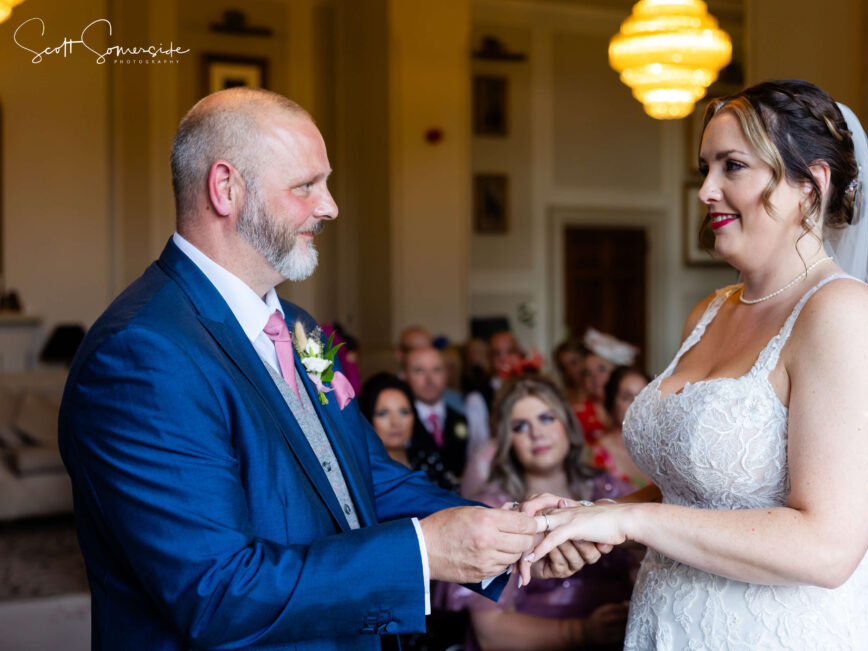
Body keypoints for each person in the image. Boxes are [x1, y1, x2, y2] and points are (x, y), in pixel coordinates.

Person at [57, 87, 598, 650]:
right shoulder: (142, 352)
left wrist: (506, 530)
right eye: (306, 186)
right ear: (226, 189)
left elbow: (365, 476)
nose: (330, 206)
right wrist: (423, 551)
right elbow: (215, 592)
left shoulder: (298, 327)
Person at [518, 79, 868, 649]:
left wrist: (630, 523)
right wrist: (593, 516)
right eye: (705, 168)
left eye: (733, 167)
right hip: (669, 622)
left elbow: (827, 547)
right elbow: (696, 490)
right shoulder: (710, 311)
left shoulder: (846, 316)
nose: (705, 190)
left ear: (810, 184)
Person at [442, 375, 636, 651]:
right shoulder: (493, 510)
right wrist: (581, 632)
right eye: (521, 427)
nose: (537, 433)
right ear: (508, 442)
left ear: (567, 424)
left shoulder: (611, 491)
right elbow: (490, 633)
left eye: (546, 418)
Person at [359, 371, 458, 492]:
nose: (395, 422)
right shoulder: (362, 472)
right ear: (368, 419)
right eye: (383, 413)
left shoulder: (430, 461)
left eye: (403, 412)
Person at [403, 346, 472, 478]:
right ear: (406, 375)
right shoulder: (400, 421)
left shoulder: (461, 418)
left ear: (447, 374)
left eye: (436, 370)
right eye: (419, 371)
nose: (429, 379)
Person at [587, 365, 650, 489]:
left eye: (644, 396)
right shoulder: (595, 456)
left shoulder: (663, 449)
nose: (637, 404)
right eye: (627, 397)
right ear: (612, 403)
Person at [553, 338, 588, 405]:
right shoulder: (561, 398)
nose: (569, 370)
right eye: (563, 367)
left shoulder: (599, 394)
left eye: (574, 363)